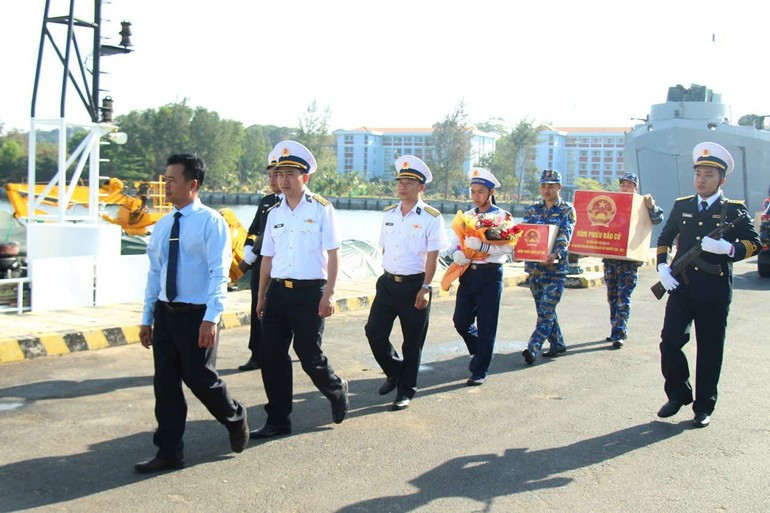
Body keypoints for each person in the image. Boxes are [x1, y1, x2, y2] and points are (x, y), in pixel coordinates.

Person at [135, 153, 248, 473]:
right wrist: (147, 317)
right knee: (166, 385)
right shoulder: (162, 225)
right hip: (166, 313)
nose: (166, 185)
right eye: (165, 178)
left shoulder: (211, 222)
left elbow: (219, 273)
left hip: (198, 313)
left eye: (172, 180)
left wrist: (211, 318)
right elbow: (155, 273)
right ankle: (169, 452)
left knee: (201, 379)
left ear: (192, 184)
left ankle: (235, 417)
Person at [655, 142, 760, 428]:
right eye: (698, 173)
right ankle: (678, 394)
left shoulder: (734, 210)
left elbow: (755, 244)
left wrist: (728, 249)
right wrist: (662, 267)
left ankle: (703, 407)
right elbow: (664, 239)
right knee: (671, 342)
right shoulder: (682, 206)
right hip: (681, 287)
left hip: (714, 292)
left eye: (709, 175)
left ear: (722, 180)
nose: (701, 179)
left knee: (710, 349)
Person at [250, 140, 349, 438]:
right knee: (273, 356)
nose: (284, 180)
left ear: (304, 177)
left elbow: (333, 253)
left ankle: (335, 388)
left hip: (310, 293)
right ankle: (278, 420)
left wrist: (328, 294)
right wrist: (261, 296)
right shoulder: (274, 212)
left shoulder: (321, 209)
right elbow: (267, 257)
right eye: (280, 174)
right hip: (279, 292)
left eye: (291, 174)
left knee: (308, 355)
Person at [365, 156, 447, 410]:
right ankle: (395, 370)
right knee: (374, 331)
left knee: (412, 342)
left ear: (421, 187)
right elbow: (385, 248)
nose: (402, 186)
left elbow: (432, 257)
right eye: (400, 181)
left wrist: (426, 287)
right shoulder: (389, 214)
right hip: (388, 283)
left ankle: (406, 390)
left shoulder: (432, 218)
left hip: (415, 286)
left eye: (409, 182)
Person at [450, 168, 513, 385]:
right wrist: (455, 253)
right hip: (468, 273)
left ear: (491, 192)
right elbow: (453, 243)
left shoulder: (500, 216)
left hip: (490, 275)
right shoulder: (466, 217)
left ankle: (480, 370)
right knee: (460, 321)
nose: (476, 196)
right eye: (473, 191)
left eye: (480, 191)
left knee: (487, 324)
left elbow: (507, 247)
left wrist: (483, 245)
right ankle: (481, 353)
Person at [602, 173, 664, 349]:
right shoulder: (612, 201)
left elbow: (658, 218)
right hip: (611, 259)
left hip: (629, 261)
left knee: (624, 297)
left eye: (630, 185)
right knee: (612, 297)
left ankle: (619, 333)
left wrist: (651, 207)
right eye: (623, 185)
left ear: (636, 187)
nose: (626, 188)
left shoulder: (642, 203)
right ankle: (615, 329)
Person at [521, 169, 576, 365]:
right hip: (535, 269)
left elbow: (565, 235)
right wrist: (518, 252)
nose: (546, 190)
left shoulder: (567, 210)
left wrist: (556, 254)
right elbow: (524, 234)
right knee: (544, 310)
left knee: (546, 310)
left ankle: (533, 347)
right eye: (543, 186)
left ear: (559, 187)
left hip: (555, 270)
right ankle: (558, 344)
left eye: (551, 186)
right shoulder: (532, 210)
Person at [237, 151, 282, 371]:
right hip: (261, 264)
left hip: (283, 267)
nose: (273, 180)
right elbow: (254, 230)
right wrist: (248, 249)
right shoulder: (266, 202)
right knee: (258, 308)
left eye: (277, 175)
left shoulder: (294, 204)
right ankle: (257, 354)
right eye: (271, 176)